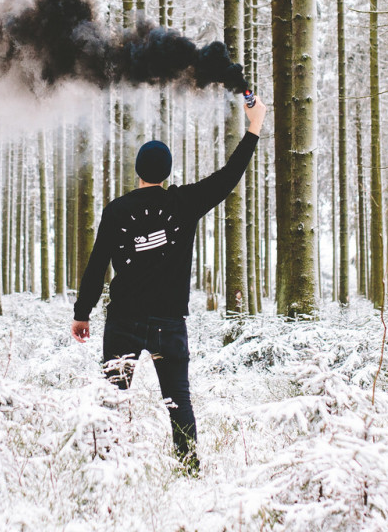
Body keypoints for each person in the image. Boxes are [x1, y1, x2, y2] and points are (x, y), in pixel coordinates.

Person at [71, 94, 267, 472]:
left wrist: (83, 314)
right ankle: (189, 467)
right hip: (169, 323)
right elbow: (229, 176)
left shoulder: (117, 211)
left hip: (123, 321)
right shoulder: (185, 203)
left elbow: (97, 266)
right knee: (178, 399)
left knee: (112, 398)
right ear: (168, 172)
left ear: (137, 171)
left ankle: (106, 469)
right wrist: (253, 127)